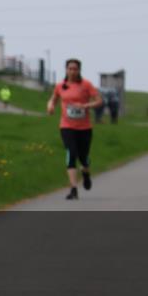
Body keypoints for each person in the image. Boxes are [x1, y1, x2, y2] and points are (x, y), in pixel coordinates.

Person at [46, 59, 103, 200]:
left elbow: (99, 101)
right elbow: (53, 99)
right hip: (67, 126)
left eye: (75, 69)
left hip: (85, 127)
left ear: (79, 70)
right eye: (69, 68)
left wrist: (86, 106)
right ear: (66, 70)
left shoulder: (86, 85)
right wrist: (50, 106)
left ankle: (86, 173)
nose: (72, 71)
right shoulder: (60, 86)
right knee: (71, 154)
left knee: (83, 158)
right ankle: (73, 189)